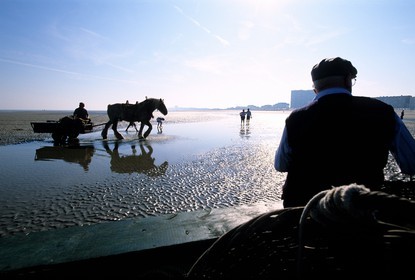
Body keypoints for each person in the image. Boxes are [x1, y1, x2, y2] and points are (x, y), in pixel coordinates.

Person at [274, 57, 415, 208]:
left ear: (315, 87)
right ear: (348, 80)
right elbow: (411, 164)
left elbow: (281, 165)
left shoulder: (295, 118)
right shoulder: (383, 111)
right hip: (360, 209)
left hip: (304, 210)